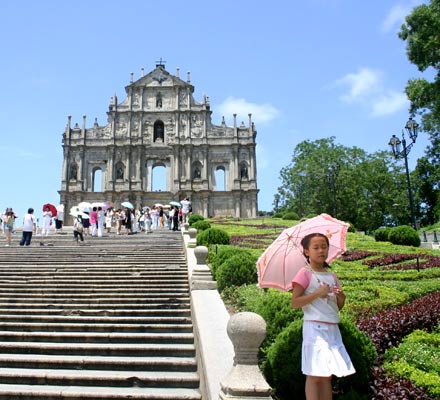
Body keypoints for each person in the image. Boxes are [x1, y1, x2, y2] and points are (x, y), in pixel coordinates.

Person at [291, 233, 355, 400]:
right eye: (316, 247)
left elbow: (338, 306)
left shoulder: (331, 275)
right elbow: (295, 302)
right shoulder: (304, 274)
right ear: (306, 252)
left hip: (332, 327)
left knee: (327, 374)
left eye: (324, 247)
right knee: (314, 372)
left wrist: (341, 297)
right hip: (314, 327)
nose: (321, 251)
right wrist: (318, 293)